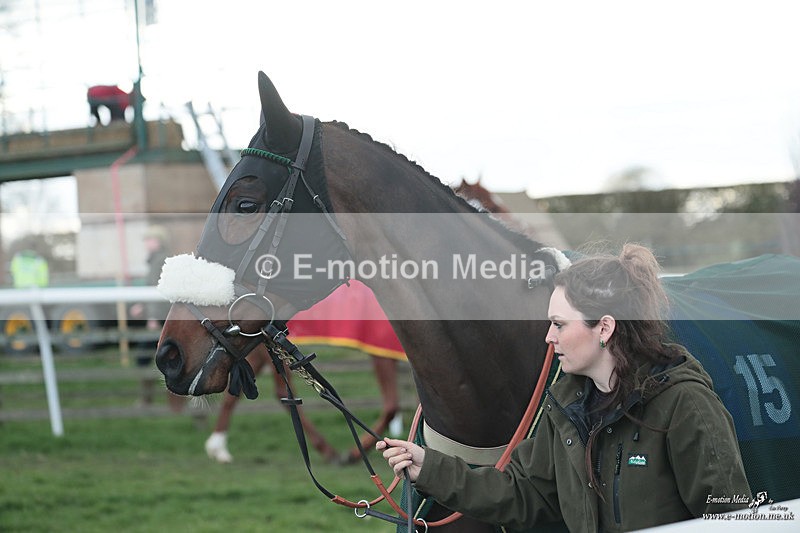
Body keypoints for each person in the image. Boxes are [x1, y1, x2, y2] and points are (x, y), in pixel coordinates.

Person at [378, 244, 751, 532]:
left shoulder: (685, 404)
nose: (548, 336)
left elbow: (731, 519)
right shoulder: (568, 406)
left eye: (559, 324)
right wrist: (429, 467)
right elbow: (525, 493)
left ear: (604, 328)